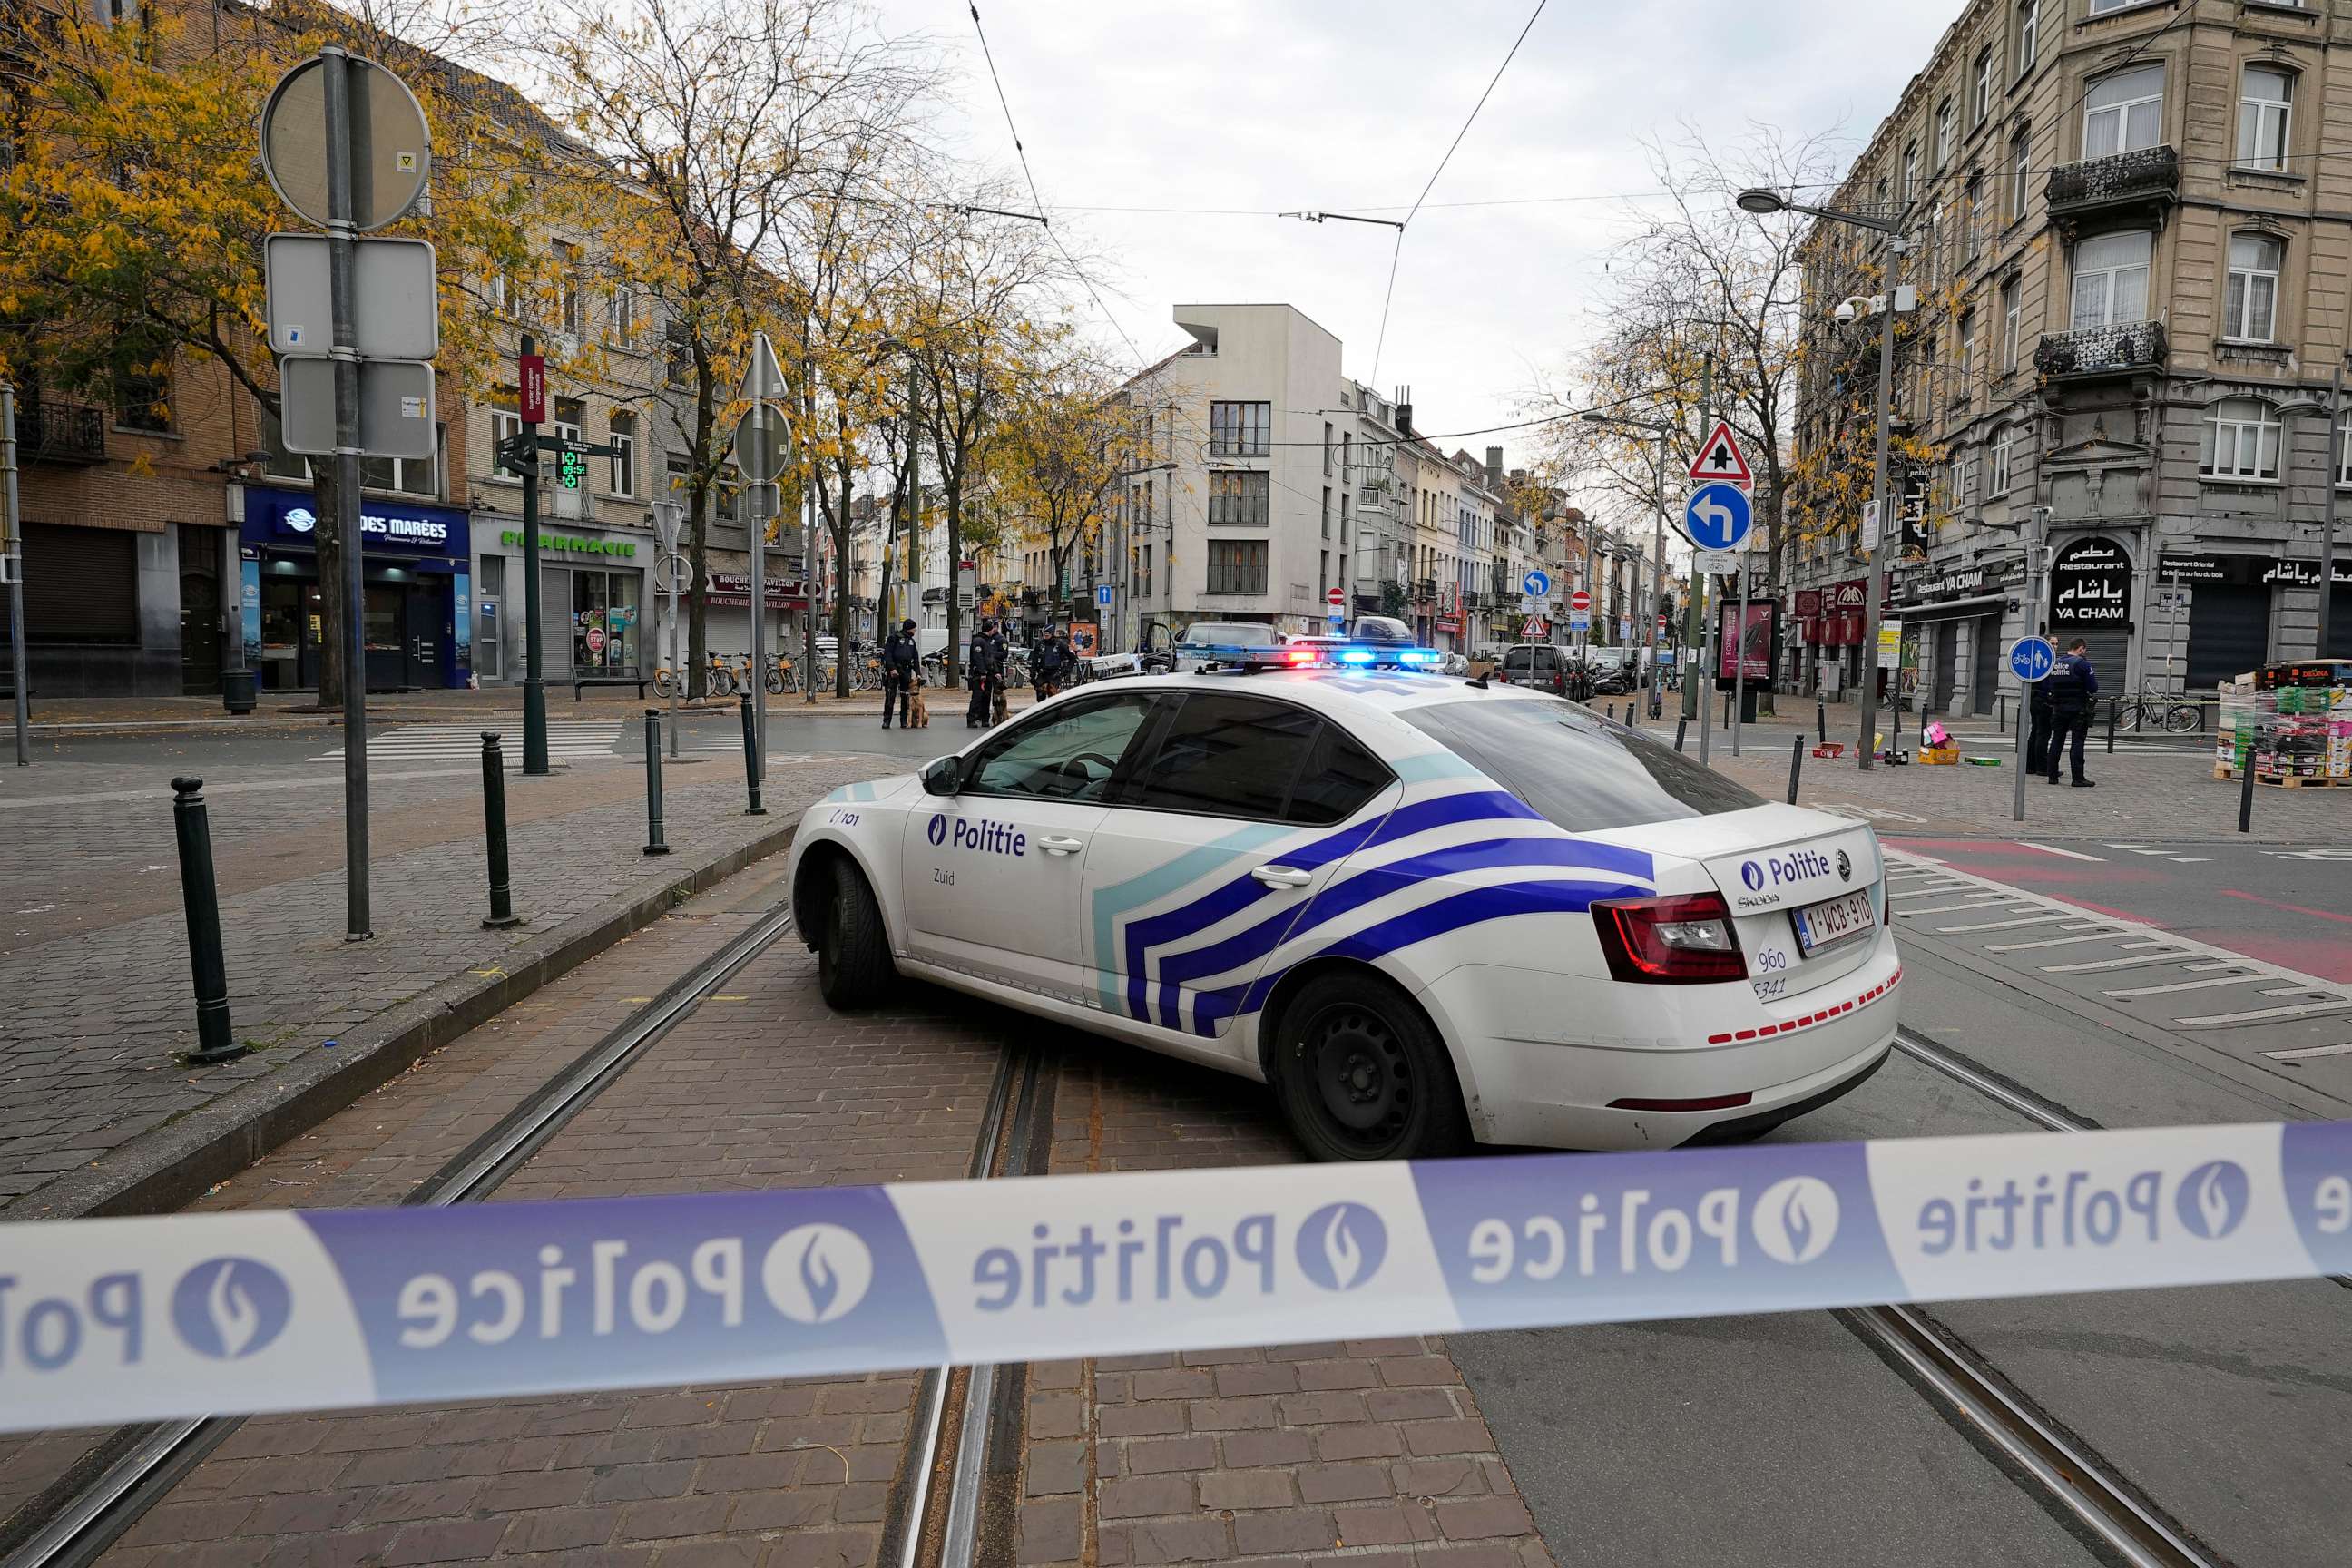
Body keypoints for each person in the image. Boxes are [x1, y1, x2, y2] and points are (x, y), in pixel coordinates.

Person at [2043, 636, 2099, 787]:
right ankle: (2078, 778)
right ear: (2081, 649)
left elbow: (2049, 685)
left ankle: (2052, 776)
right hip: (2077, 708)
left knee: (2056, 740)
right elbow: (2093, 687)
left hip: (2058, 707)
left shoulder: (2056, 663)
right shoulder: (2082, 664)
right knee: (2077, 742)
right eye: (2083, 650)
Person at [967, 618, 1007, 727]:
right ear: (989, 631)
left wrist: (996, 672)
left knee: (986, 697)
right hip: (979, 675)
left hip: (989, 674)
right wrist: (982, 673)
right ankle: (971, 719)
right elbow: (978, 658)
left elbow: (991, 659)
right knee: (977, 697)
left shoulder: (988, 641)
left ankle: (985, 719)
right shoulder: (978, 641)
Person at [880, 618, 919, 730]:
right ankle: (886, 721)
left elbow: (915, 658)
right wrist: (892, 668)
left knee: (905, 697)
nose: (915, 631)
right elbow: (887, 654)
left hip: (905, 672)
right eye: (914, 629)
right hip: (894, 671)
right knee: (890, 697)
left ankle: (904, 721)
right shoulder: (894, 638)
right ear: (909, 628)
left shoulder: (911, 641)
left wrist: (918, 672)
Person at [1035, 630, 1069, 699]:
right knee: (1040, 693)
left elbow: (1069, 657)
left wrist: (1065, 670)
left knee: (1053, 695)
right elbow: (1035, 658)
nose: (1045, 637)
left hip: (1054, 673)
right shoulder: (1041, 644)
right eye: (1044, 635)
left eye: (1047, 635)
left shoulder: (1059, 644)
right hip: (1043, 673)